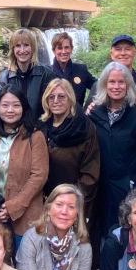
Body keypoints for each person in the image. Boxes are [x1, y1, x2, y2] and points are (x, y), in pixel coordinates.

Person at [87, 62, 136, 265]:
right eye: (111, 82)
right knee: (98, 235)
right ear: (104, 85)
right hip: (98, 188)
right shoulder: (93, 114)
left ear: (128, 86)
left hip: (126, 187)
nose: (116, 86)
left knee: (125, 235)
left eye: (121, 82)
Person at [0, 85, 49, 250]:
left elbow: (39, 176)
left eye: (16, 105)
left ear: (24, 108)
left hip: (27, 216)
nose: (10, 110)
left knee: (26, 268)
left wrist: (13, 206)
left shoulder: (35, 137)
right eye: (5, 105)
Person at [39, 78, 100, 219]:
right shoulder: (41, 125)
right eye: (51, 97)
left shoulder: (84, 127)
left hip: (73, 203)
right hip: (44, 201)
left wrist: (70, 200)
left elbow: (90, 172)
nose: (56, 100)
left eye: (61, 96)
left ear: (70, 98)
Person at [0, 28, 57, 121]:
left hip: (40, 130)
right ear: (13, 50)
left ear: (33, 48)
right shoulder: (5, 77)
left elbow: (53, 108)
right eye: (18, 46)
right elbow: (1, 109)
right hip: (15, 129)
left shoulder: (46, 75)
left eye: (26, 45)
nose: (22, 50)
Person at [89, 34, 136, 105]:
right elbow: (88, 114)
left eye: (127, 49)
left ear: (134, 53)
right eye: (118, 49)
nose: (123, 53)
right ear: (111, 54)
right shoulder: (99, 85)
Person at [49, 32, 96, 105]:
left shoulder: (81, 70)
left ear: (71, 49)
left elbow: (98, 86)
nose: (64, 51)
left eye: (67, 47)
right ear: (54, 51)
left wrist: (92, 106)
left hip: (77, 115)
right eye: (60, 48)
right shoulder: (46, 72)